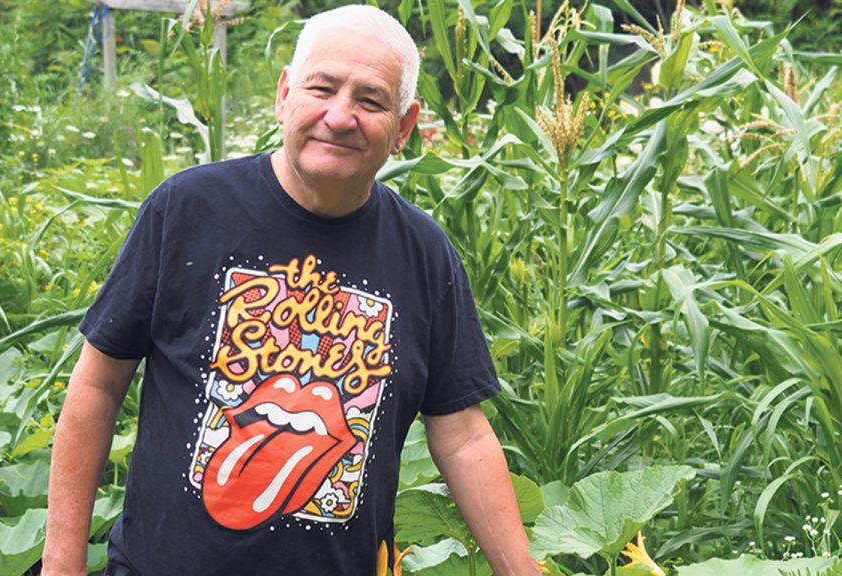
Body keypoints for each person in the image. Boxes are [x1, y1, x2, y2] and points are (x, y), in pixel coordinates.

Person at [43, 5, 540, 575]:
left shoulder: (424, 255)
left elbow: (463, 435)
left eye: (371, 100)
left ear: (404, 127)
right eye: (322, 88)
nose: (340, 115)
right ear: (284, 95)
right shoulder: (188, 210)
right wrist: (61, 565)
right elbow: (97, 387)